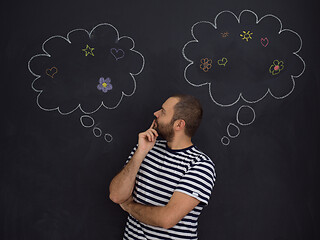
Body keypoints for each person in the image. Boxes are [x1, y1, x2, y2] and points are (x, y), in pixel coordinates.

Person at [109, 94, 216, 240]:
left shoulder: (200, 165)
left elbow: (166, 219)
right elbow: (116, 195)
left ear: (179, 125)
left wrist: (129, 206)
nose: (156, 113)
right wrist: (140, 153)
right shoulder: (146, 147)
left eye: (163, 112)